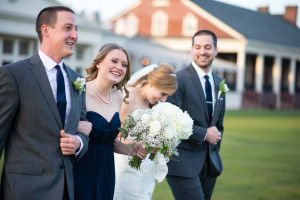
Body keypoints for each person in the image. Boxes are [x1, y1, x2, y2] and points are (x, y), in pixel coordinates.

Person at [0, 6, 89, 200]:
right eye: (68, 28)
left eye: (76, 29)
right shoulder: (14, 75)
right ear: (46, 30)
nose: (75, 35)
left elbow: (83, 127)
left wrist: (79, 143)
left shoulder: (78, 81)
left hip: (66, 190)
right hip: (24, 191)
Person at [73, 43, 147, 200]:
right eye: (114, 61)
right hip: (80, 169)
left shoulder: (119, 97)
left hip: (106, 172)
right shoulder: (80, 91)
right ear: (98, 63)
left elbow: (107, 141)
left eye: (124, 64)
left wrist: (131, 149)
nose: (119, 67)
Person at [166, 30, 226, 200]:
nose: (202, 52)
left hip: (209, 165)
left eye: (208, 47)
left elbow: (219, 125)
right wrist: (204, 134)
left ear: (215, 50)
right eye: (198, 47)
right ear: (192, 49)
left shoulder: (220, 83)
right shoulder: (179, 79)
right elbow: (170, 121)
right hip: (182, 163)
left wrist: (214, 151)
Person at [113, 63, 178, 200]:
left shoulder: (154, 105)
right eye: (163, 94)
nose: (164, 100)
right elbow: (114, 136)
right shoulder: (128, 97)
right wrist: (138, 144)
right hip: (126, 168)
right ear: (152, 84)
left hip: (146, 170)